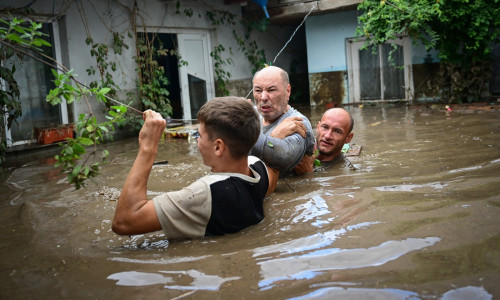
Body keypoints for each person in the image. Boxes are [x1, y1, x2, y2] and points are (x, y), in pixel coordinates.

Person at [112, 97, 280, 239]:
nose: (197, 141)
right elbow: (271, 181)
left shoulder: (205, 192)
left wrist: (148, 147)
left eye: (199, 135)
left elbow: (124, 222)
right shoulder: (259, 167)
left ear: (218, 147)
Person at [250, 66, 315, 176]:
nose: (263, 97)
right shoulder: (249, 116)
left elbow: (285, 157)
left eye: (271, 90)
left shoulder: (298, 122)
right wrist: (274, 136)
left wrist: (242, 143)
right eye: (258, 90)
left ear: (288, 91)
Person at [293, 107, 354, 172]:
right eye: (325, 127)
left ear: (348, 138)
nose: (328, 136)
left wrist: (308, 173)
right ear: (318, 127)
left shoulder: (345, 171)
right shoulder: (298, 147)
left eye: (337, 131)